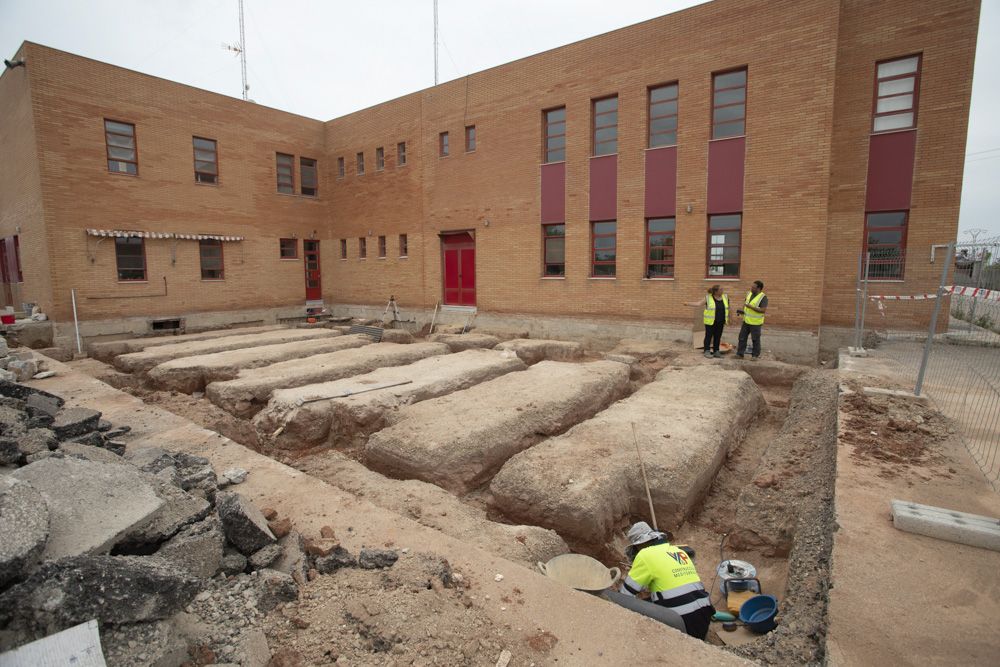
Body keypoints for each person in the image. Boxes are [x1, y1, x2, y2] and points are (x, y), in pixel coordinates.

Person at [620, 521, 715, 640]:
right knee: (654, 598)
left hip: (683, 623)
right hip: (704, 617)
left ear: (640, 544)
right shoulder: (679, 551)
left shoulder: (644, 555)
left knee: (640, 607)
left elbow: (625, 595)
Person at [685, 285, 728, 359]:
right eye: (721, 289)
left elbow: (727, 308)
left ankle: (716, 351)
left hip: (721, 321)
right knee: (708, 336)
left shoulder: (725, 297)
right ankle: (707, 351)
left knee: (718, 337)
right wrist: (688, 303)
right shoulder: (708, 298)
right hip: (710, 321)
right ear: (716, 291)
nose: (722, 290)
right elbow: (698, 304)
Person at [736, 280, 768, 360]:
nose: (751, 288)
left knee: (755, 339)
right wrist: (742, 311)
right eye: (751, 287)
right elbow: (745, 305)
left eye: (753, 287)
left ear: (759, 288)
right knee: (742, 337)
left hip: (755, 323)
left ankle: (755, 355)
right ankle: (740, 354)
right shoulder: (749, 294)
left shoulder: (763, 298)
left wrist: (751, 307)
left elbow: (763, 310)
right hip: (746, 321)